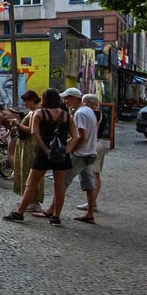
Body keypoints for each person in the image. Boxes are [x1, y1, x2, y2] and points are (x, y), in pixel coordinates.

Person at [4, 88, 80, 226]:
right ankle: (56, 217)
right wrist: (66, 150)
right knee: (59, 186)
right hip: (61, 153)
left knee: (31, 183)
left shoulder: (39, 113)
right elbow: (76, 137)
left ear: (44, 99)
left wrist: (45, 149)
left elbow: (34, 133)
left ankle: (19, 213)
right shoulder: (66, 115)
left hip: (43, 152)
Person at [40, 88, 99, 224]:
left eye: (67, 98)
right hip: (89, 153)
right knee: (89, 184)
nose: (65, 101)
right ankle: (89, 214)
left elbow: (80, 136)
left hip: (80, 154)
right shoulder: (88, 110)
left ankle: (51, 211)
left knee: (61, 183)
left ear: (74, 98)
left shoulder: (79, 114)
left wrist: (69, 149)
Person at [14, 90, 44, 213]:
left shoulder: (36, 112)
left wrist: (17, 124)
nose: (24, 103)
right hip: (26, 145)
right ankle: (28, 199)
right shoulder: (33, 112)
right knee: (25, 173)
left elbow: (31, 130)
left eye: (25, 101)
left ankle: (34, 201)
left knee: (28, 174)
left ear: (32, 100)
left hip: (30, 146)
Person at [79, 94, 105, 213]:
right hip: (98, 143)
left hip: (93, 144)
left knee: (94, 174)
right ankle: (92, 201)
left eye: (84, 102)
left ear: (90, 103)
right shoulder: (99, 114)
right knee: (95, 174)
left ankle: (92, 202)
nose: (82, 104)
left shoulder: (92, 114)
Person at [0, 102, 21, 174]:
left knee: (10, 155)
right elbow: (11, 127)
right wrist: (4, 136)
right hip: (23, 131)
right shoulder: (10, 111)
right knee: (17, 153)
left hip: (16, 133)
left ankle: (18, 173)